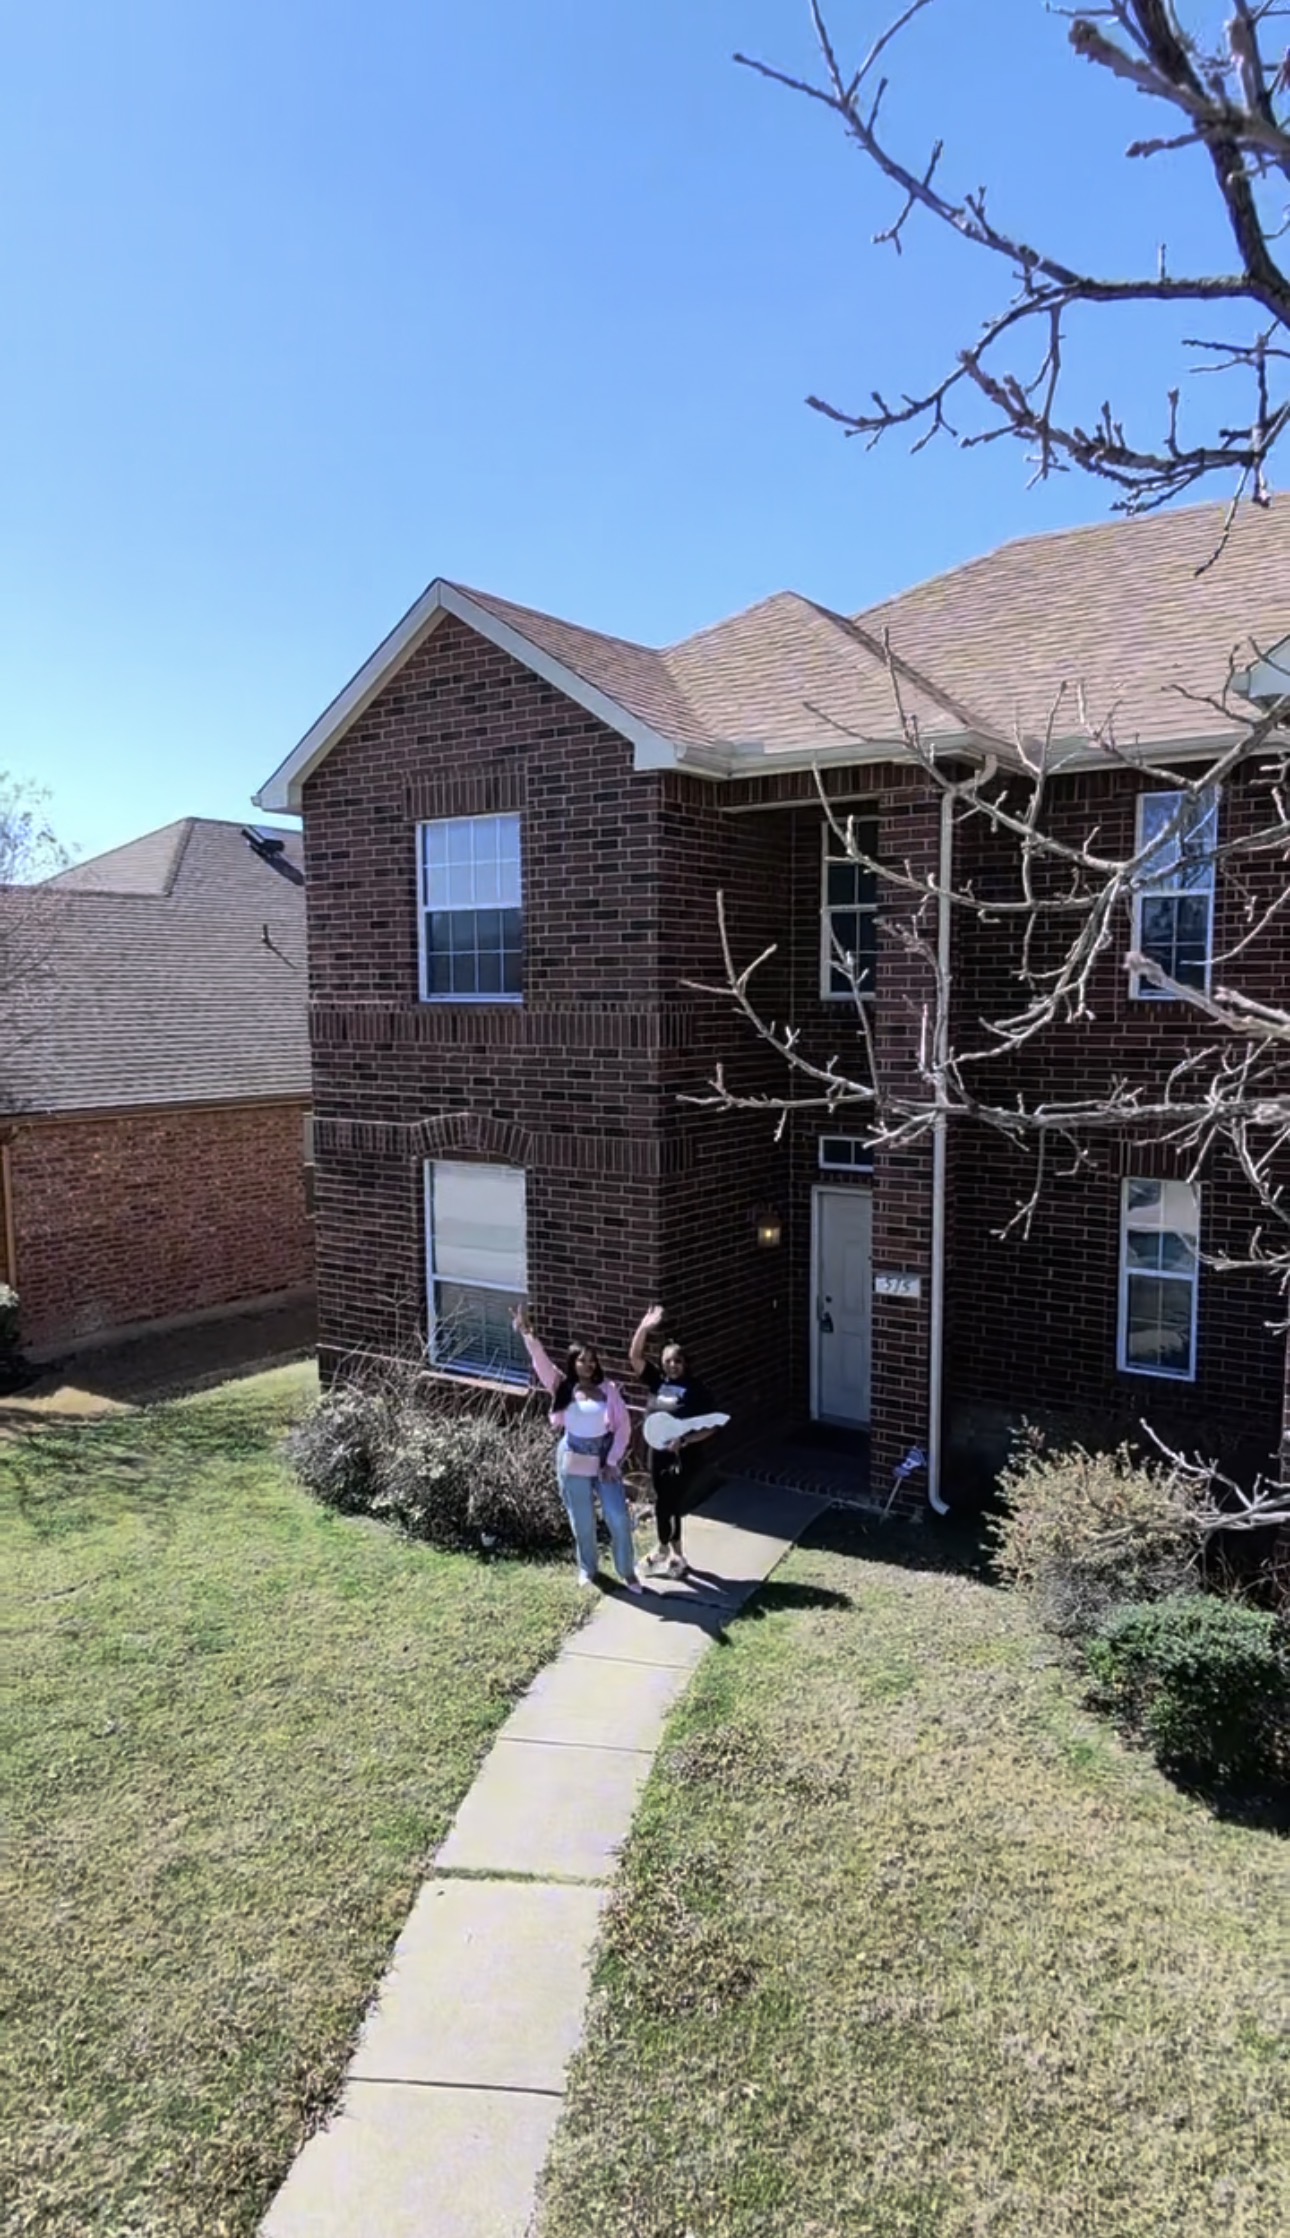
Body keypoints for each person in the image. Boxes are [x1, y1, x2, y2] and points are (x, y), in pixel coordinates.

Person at [511, 1305, 642, 1593]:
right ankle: (588, 1568)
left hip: (603, 1456)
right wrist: (527, 1333)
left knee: (617, 1516)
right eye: (582, 1361)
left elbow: (623, 1428)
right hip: (573, 1455)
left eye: (592, 1361)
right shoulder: (562, 1385)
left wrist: (611, 1461)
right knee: (581, 1518)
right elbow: (541, 1362)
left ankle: (627, 1572)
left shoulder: (608, 1390)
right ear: (573, 1363)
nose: (588, 1365)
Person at [629, 1304, 720, 1578]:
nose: (672, 1365)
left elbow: (712, 1425)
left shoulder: (696, 1389)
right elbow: (634, 1356)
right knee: (666, 1502)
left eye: (677, 1361)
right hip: (658, 1453)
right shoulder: (657, 1381)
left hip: (683, 1455)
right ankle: (675, 1555)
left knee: (667, 1502)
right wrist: (644, 1327)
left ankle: (663, 1551)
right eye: (668, 1361)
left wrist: (686, 1440)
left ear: (686, 1364)